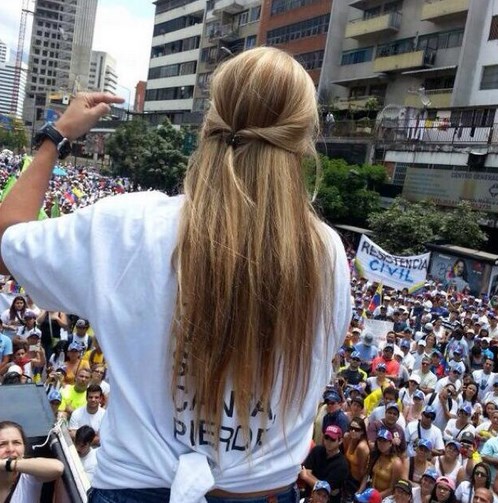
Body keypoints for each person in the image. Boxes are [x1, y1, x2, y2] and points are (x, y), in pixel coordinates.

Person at [0, 47, 351, 502]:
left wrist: (57, 135)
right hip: (266, 492)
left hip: (137, 488)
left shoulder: (129, 227)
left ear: (209, 124)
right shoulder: (327, 256)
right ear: (303, 142)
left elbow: (8, 238)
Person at [0, 420, 64, 502]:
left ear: (24, 447)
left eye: (16, 443)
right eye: (2, 444)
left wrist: (8, 464)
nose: (11, 449)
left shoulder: (28, 474)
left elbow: (58, 468)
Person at [300, 425, 349, 503]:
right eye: (326, 437)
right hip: (309, 498)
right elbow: (306, 471)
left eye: (332, 439)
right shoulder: (317, 450)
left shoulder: (342, 465)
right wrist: (317, 482)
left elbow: (324, 490)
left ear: (340, 441)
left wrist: (306, 477)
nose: (328, 441)